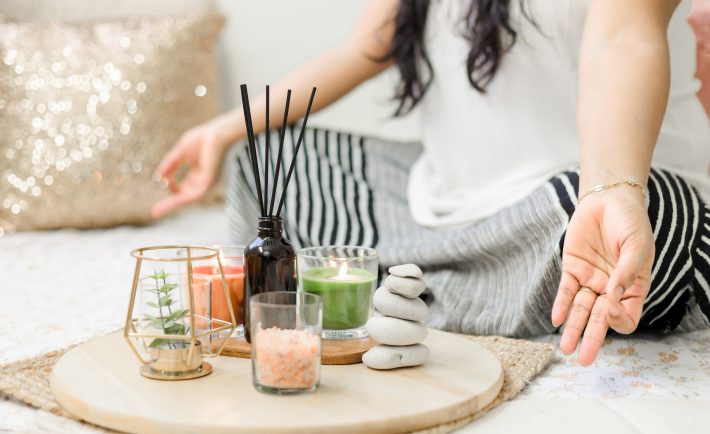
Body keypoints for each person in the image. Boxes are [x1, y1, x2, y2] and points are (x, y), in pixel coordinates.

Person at [153, 0, 710, 365]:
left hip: (584, 204)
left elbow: (623, 36)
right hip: (440, 205)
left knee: (653, 224)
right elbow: (361, 49)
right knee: (267, 157)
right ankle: (454, 288)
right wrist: (225, 130)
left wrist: (611, 188)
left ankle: (412, 289)